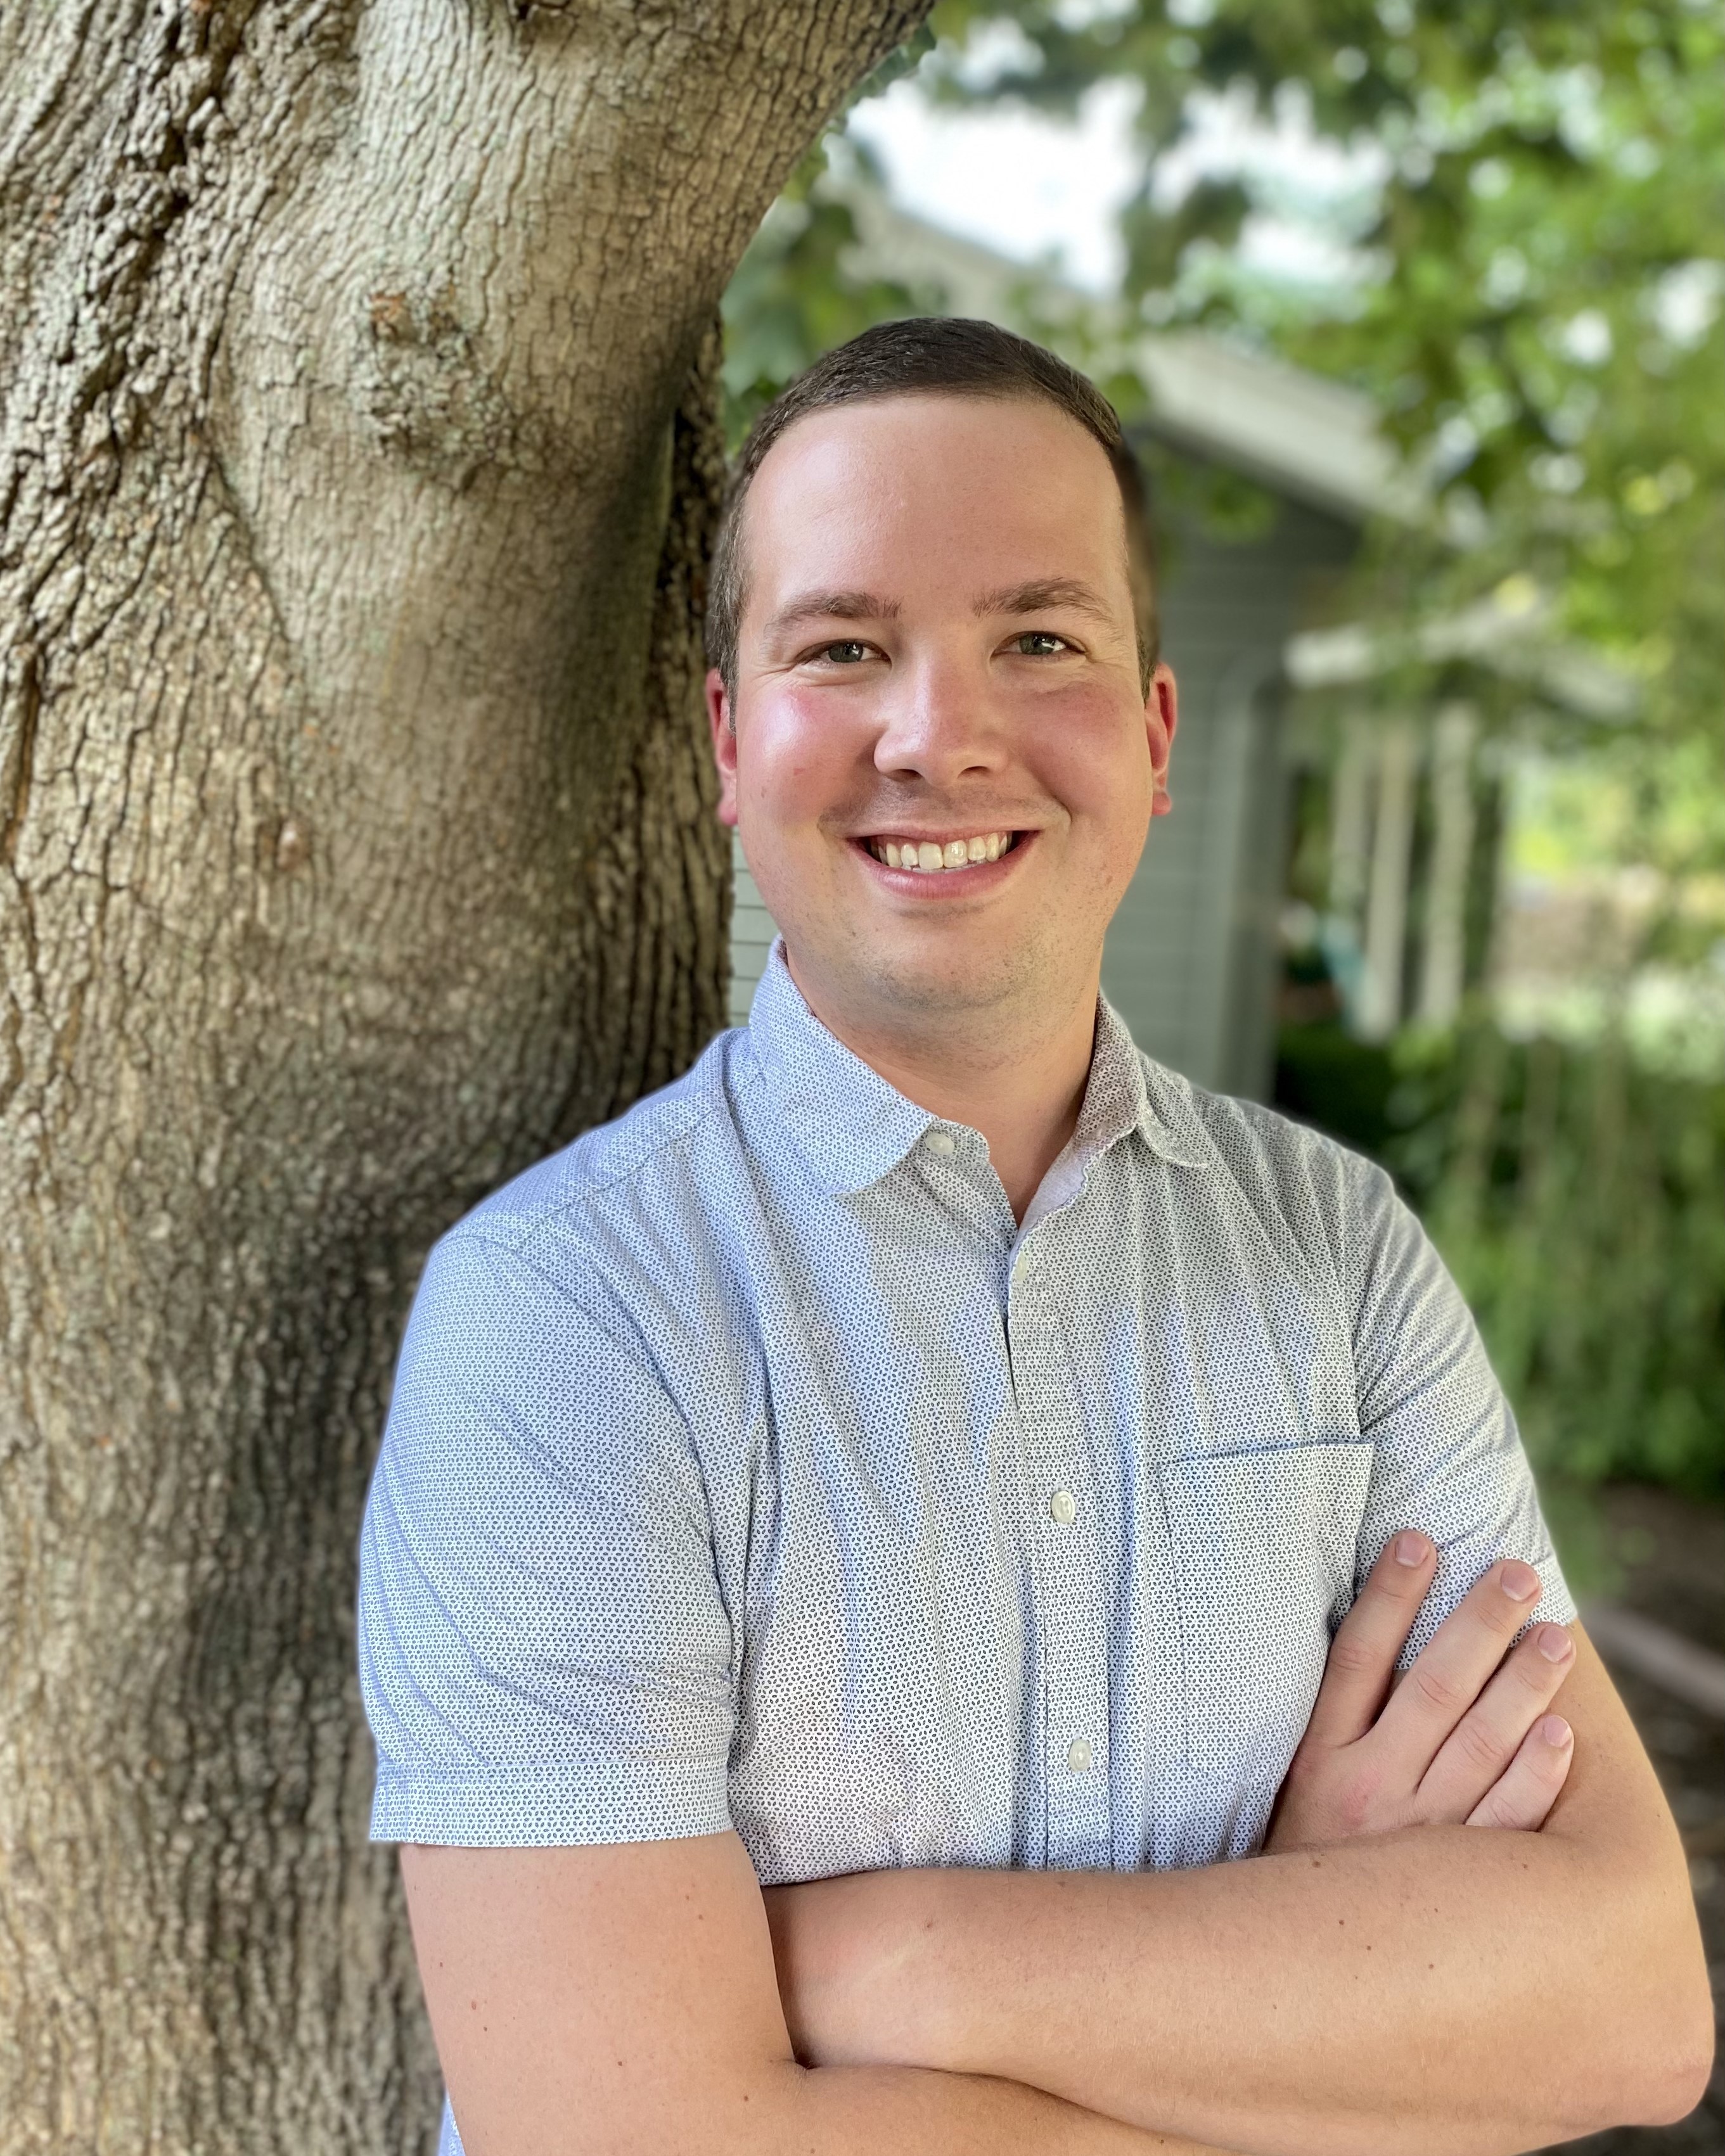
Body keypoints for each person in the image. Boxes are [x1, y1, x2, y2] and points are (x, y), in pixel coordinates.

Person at [357, 317, 1711, 2156]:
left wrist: (882, 1963)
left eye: (1038, 640)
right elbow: (625, 2133)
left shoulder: (1335, 1255)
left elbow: (1625, 2009)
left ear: (1155, 738)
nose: (939, 733)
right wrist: (1322, 2010)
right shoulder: (564, 1322)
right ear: (731, 741)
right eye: (843, 647)